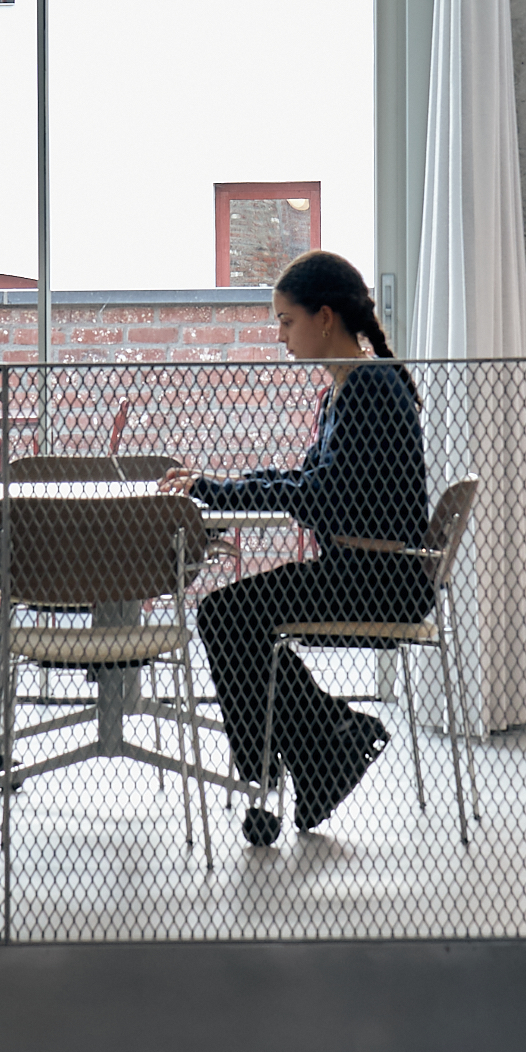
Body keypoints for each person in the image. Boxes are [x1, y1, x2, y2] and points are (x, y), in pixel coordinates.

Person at [164, 249, 432, 833]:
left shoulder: (368, 391)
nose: (282, 336)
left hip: (380, 582)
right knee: (232, 616)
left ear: (325, 318)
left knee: (227, 615)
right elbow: (308, 482)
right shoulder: (348, 389)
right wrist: (221, 487)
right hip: (366, 573)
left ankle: (304, 755)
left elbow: (322, 496)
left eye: (288, 322)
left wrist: (220, 491)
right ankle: (324, 747)